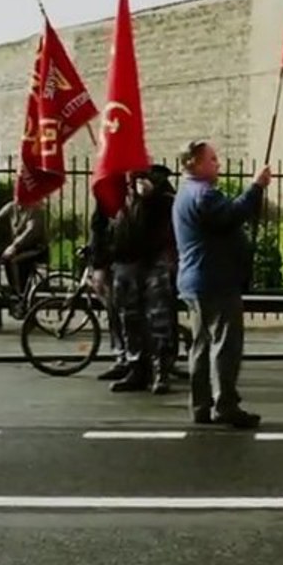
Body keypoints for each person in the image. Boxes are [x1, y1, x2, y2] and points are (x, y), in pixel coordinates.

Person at [173, 140, 271, 429]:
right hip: (214, 280)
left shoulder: (185, 193)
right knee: (225, 345)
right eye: (213, 159)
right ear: (195, 163)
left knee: (202, 344)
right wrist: (256, 187)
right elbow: (232, 215)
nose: (218, 163)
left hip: (196, 280)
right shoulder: (204, 195)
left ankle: (201, 404)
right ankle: (224, 404)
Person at [108, 168, 179, 395]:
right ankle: (136, 367)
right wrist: (99, 260)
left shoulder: (158, 188)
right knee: (129, 318)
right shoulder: (114, 189)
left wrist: (151, 194)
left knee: (159, 319)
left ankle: (161, 371)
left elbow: (169, 213)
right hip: (124, 262)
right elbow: (102, 224)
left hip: (152, 262)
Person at [0, 199, 48, 309]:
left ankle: (20, 295)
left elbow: (31, 230)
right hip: (20, 248)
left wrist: (14, 246)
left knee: (13, 260)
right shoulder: (11, 207)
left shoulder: (34, 209)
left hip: (36, 248)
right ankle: (15, 293)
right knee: (4, 258)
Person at [88, 204, 128, 382]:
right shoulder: (106, 195)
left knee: (122, 312)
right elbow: (98, 228)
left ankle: (128, 357)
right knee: (114, 310)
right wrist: (98, 262)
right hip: (113, 261)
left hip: (128, 261)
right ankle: (122, 356)